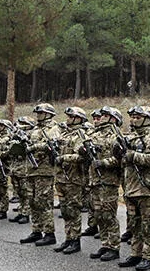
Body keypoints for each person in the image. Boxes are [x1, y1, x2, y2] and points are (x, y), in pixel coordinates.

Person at [116, 105, 150, 271]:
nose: (134, 120)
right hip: (131, 187)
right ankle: (135, 253)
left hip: (147, 188)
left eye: (138, 117)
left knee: (148, 225)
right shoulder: (130, 138)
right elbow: (123, 160)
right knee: (134, 224)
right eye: (133, 117)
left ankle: (148, 256)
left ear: (147, 119)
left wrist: (133, 156)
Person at [19, 103, 61, 246]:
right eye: (37, 113)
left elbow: (53, 145)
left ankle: (49, 234)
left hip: (44, 170)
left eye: (41, 113)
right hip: (31, 170)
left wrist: (35, 147)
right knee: (32, 201)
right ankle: (36, 230)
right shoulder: (35, 129)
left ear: (48, 114)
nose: (38, 116)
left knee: (44, 202)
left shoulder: (54, 128)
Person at [86, 106, 123, 262]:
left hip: (108, 181)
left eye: (104, 115)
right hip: (95, 180)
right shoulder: (94, 134)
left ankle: (114, 247)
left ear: (113, 118)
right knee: (98, 214)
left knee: (108, 215)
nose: (100, 118)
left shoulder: (117, 136)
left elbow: (121, 158)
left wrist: (104, 162)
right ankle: (105, 243)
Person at [54, 107, 91, 254]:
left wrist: (64, 158)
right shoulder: (64, 134)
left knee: (73, 210)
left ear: (78, 119)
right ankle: (68, 238)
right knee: (65, 210)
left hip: (73, 178)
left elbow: (82, 157)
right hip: (62, 177)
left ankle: (75, 241)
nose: (67, 119)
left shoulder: (81, 135)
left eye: (71, 116)